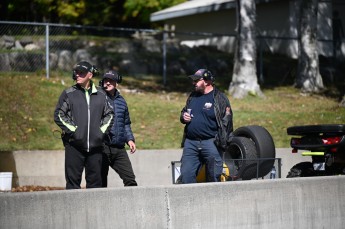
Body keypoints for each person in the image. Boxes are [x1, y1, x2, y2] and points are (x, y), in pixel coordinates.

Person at [54, 61, 114, 189]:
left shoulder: (101, 94)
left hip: (96, 148)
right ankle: (72, 209)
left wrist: (100, 132)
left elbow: (110, 114)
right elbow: (59, 114)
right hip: (74, 147)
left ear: (90, 75)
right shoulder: (69, 93)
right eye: (77, 72)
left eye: (82, 73)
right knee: (72, 185)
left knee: (95, 186)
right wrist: (74, 131)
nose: (78, 75)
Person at [179, 69, 233, 184]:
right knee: (186, 176)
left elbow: (227, 122)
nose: (194, 83)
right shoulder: (193, 96)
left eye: (197, 80)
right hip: (191, 143)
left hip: (211, 143)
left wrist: (223, 142)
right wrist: (183, 116)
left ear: (207, 81)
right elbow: (184, 111)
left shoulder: (220, 98)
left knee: (213, 177)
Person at [100, 70, 138, 187]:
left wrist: (130, 139)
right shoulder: (98, 98)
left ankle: (133, 205)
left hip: (119, 148)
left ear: (117, 83)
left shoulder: (121, 101)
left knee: (130, 180)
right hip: (102, 147)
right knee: (100, 182)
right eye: (106, 80)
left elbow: (126, 123)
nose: (107, 83)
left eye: (111, 80)